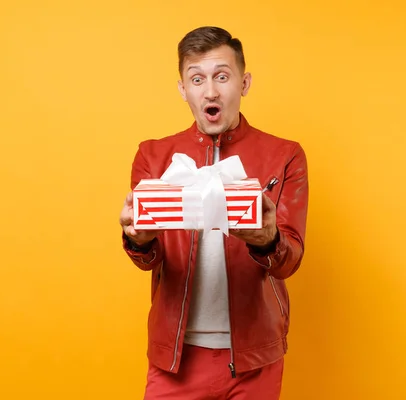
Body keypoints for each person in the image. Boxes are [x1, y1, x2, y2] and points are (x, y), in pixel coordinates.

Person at [119, 26, 309, 400]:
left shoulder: (285, 155)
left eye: (222, 76)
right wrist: (136, 240)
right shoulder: (153, 156)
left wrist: (268, 241)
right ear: (183, 89)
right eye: (197, 79)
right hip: (176, 358)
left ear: (244, 82)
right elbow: (149, 259)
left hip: (256, 360)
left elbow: (289, 260)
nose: (210, 90)